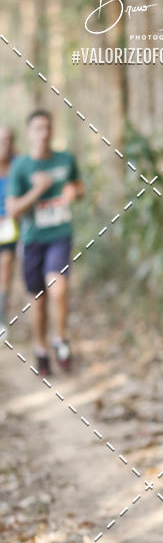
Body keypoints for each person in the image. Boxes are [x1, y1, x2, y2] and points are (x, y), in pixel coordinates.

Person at [6, 110, 84, 375]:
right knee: (38, 301)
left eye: (48, 128)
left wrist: (74, 192)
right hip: (32, 240)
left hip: (59, 235)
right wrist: (37, 189)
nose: (44, 133)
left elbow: (79, 187)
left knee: (58, 288)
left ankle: (61, 341)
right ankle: (41, 349)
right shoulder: (21, 167)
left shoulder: (65, 159)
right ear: (29, 133)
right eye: (38, 128)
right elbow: (13, 209)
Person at [0, 126, 18, 330]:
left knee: (5, 268)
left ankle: (2, 319)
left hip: (9, 227)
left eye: (8, 140)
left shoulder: (18, 163)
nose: (4, 144)